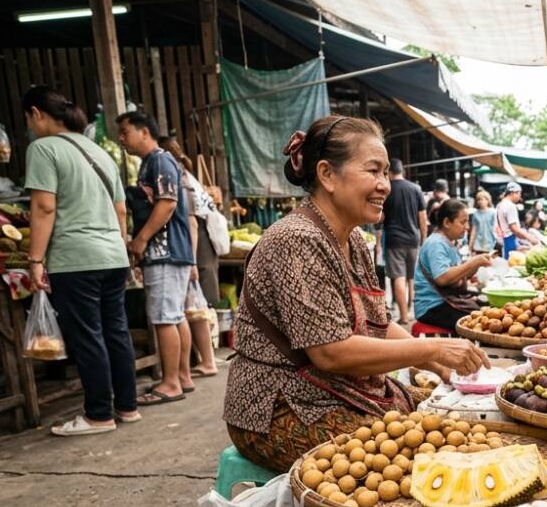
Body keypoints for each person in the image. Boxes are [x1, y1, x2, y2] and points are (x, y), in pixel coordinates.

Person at [223, 116, 490, 472]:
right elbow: (330, 352)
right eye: (373, 171)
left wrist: (437, 364)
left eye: (385, 173)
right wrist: (432, 348)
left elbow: (379, 324)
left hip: (335, 389)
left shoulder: (353, 240)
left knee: (451, 417)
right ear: (327, 174)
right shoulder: (297, 239)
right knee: (411, 457)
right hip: (281, 406)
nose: (385, 186)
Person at [23, 86, 140, 436]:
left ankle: (98, 415)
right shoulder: (99, 151)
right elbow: (121, 210)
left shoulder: (43, 148)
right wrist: (118, 247)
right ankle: (128, 407)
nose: (29, 126)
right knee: (116, 330)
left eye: (28, 119)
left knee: (88, 336)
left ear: (36, 113)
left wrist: (35, 259)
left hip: (76, 257)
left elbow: (44, 207)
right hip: (112, 255)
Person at [116, 111, 196, 406]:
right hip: (172, 251)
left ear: (144, 132)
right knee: (175, 316)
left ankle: (171, 382)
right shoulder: (153, 162)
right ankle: (183, 377)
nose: (122, 139)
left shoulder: (160, 161)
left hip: (164, 251)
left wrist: (141, 239)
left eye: (125, 132)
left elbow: (167, 204)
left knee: (164, 319)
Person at [157, 137, 220, 380]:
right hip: (199, 242)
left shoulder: (180, 179)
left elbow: (191, 222)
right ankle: (206, 360)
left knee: (194, 307)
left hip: (196, 243)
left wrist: (191, 261)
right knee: (195, 306)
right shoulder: (186, 175)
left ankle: (206, 361)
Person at [415, 199, 494, 331]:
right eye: (463, 222)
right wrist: (472, 262)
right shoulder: (436, 243)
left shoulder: (449, 242)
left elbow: (462, 275)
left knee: (488, 312)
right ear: (447, 222)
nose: (467, 227)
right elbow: (442, 278)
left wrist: (477, 263)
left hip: (446, 302)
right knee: (482, 323)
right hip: (432, 307)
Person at [380, 158, 426, 325]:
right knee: (411, 276)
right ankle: (413, 310)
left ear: (390, 172)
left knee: (398, 277)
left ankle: (404, 316)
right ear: (402, 170)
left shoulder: (387, 190)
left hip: (394, 240)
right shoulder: (415, 189)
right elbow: (422, 217)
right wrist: (423, 239)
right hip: (413, 239)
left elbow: (380, 216)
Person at [495, 182, 537, 256]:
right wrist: (530, 237)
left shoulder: (500, 205)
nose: (520, 197)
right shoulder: (510, 206)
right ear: (512, 193)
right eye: (519, 194)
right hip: (510, 239)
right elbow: (514, 228)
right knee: (511, 260)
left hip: (503, 239)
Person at [469, 190, 497, 255]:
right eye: (478, 200)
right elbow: (474, 230)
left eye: (482, 199)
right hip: (478, 244)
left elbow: (496, 228)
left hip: (491, 243)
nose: (480, 201)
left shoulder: (493, 212)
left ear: (488, 200)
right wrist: (470, 247)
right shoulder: (475, 214)